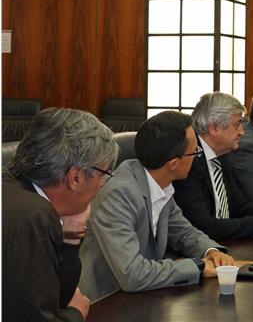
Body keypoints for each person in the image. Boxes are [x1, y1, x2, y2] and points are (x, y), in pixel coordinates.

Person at [78, 111, 237, 301]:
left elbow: (184, 232)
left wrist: (212, 252)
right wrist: (199, 267)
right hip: (106, 301)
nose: (197, 157)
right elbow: (132, 274)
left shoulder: (160, 183)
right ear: (173, 163)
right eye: (195, 152)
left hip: (146, 294)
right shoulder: (117, 194)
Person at [3, 108, 117, 322]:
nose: (102, 184)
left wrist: (71, 235)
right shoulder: (33, 216)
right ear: (75, 177)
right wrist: (76, 314)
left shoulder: (12, 186)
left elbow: (53, 299)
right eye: (103, 174)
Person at [173, 92, 253, 240]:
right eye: (237, 125)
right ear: (214, 128)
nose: (242, 132)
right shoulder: (189, 161)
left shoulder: (223, 156)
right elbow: (203, 226)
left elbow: (241, 207)